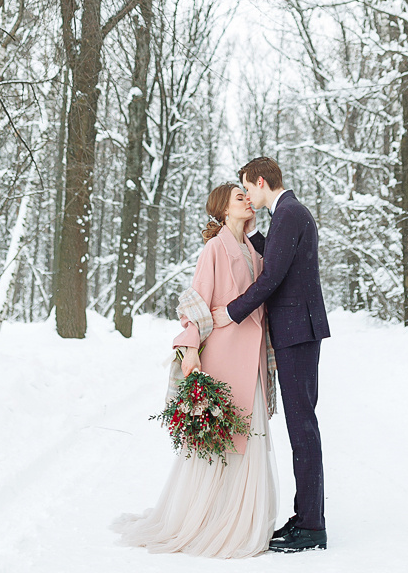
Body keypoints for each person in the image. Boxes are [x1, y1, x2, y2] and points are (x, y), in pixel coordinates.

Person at [116, 182, 278, 559]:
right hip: (222, 353)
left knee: (249, 435)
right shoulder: (214, 248)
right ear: (222, 209)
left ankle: (239, 520)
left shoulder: (256, 250)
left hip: (251, 355)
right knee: (223, 438)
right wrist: (190, 351)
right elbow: (196, 303)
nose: (248, 201)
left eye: (248, 196)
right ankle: (205, 520)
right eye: (240, 197)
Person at [212, 156, 330, 554]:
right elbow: (278, 257)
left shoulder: (290, 213)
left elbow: (271, 276)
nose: (247, 195)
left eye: (248, 187)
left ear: (261, 182)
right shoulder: (288, 214)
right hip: (298, 332)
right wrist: (246, 234)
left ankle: (312, 526)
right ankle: (306, 515)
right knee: (301, 426)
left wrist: (230, 312)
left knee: (302, 428)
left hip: (298, 333)